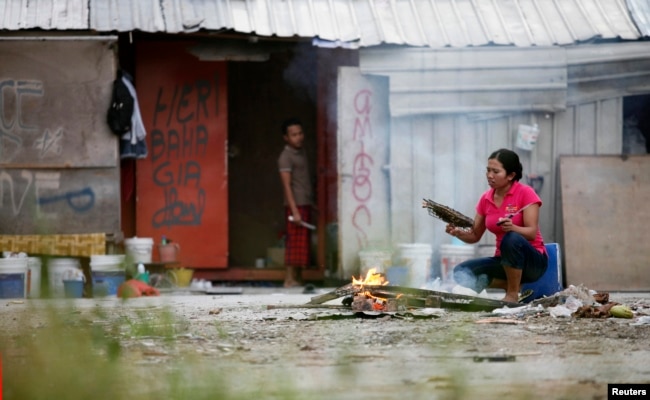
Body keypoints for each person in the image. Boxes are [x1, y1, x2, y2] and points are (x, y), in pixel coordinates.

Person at [445, 148, 548, 303]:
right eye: (488, 170)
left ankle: (512, 295)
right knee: (462, 272)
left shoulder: (526, 193)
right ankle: (512, 286)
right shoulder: (486, 199)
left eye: (495, 171)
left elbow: (532, 233)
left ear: (511, 175)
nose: (489, 175)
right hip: (504, 261)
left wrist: (513, 227)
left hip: (532, 263)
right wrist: (458, 232)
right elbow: (474, 235)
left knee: (511, 238)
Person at [278, 118, 313, 288]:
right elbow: (286, 186)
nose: (298, 137)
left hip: (305, 203)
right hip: (295, 206)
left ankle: (298, 278)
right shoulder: (285, 157)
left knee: (302, 244)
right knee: (294, 243)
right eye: (293, 135)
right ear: (286, 137)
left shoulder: (302, 152)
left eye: (300, 133)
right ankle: (289, 279)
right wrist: (294, 211)